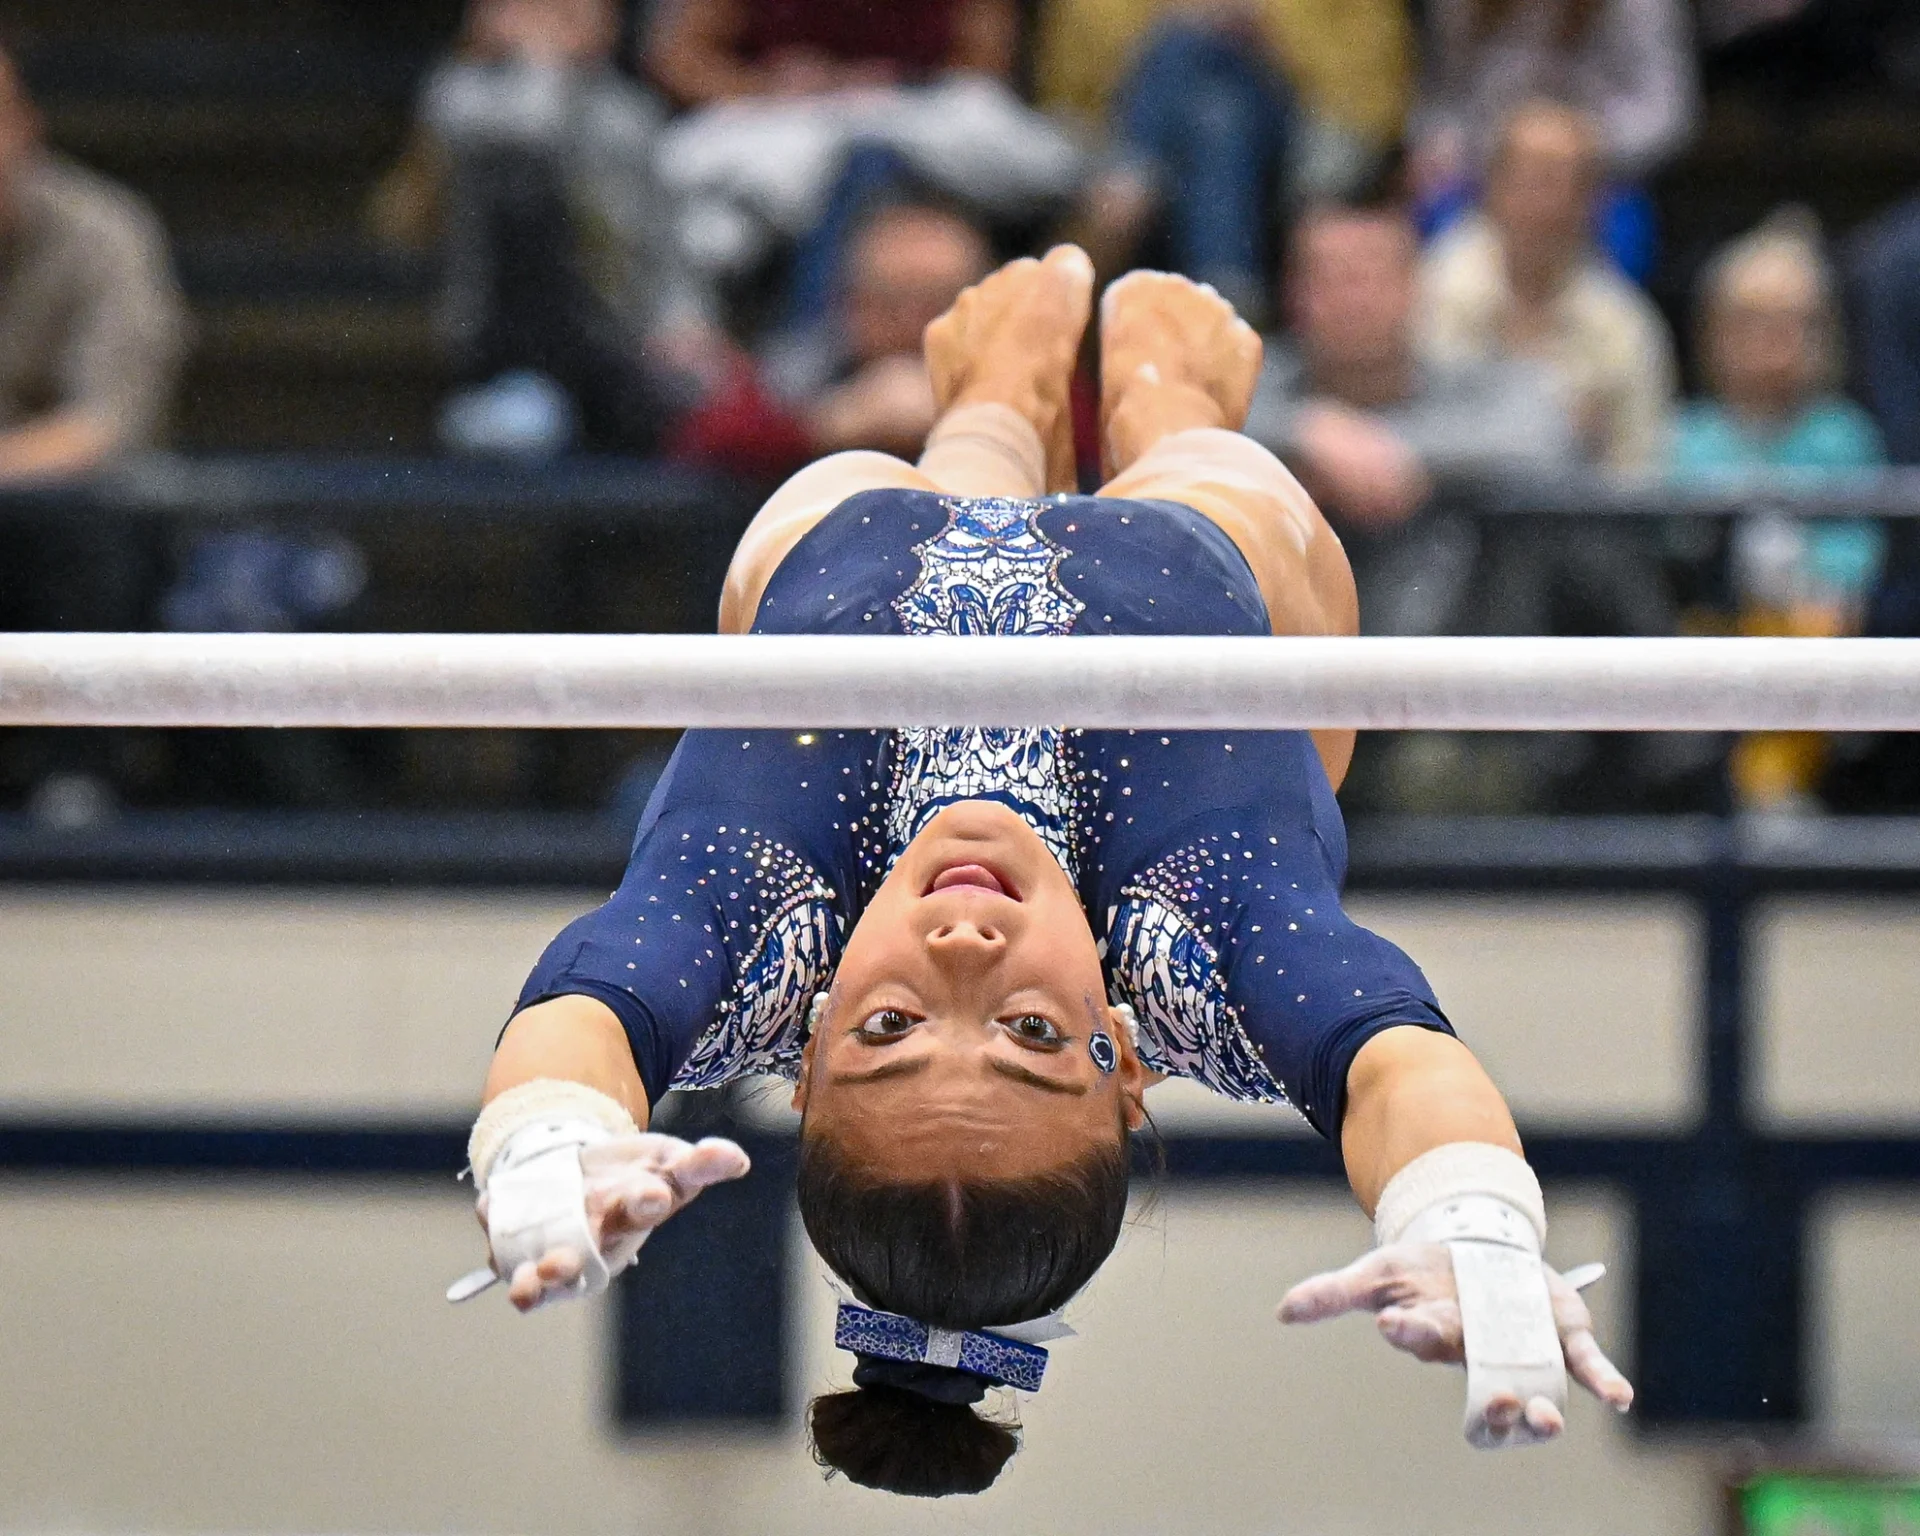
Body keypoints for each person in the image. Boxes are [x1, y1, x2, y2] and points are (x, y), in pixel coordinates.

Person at [451, 250, 1634, 1494]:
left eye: (891, 1028)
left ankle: (994, 408)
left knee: (876, 476)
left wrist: (549, 1138)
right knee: (1215, 463)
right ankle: (1163, 400)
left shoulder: (760, 940)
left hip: (868, 543)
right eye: (1031, 1032)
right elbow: (1398, 1069)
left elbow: (582, 1021)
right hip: (1187, 562)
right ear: (1125, 1064)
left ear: (804, 1055)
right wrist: (1464, 1213)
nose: (963, 958)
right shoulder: (1197, 956)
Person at [377, 0, 720, 456]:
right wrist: (541, 63)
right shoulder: (462, 94)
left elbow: (663, 237)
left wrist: (687, 320)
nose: (563, 20)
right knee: (521, 188)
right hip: (501, 340)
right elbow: (531, 135)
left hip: (614, 339)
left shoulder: (627, 111)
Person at [0, 38, 188, 821]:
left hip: (71, 518)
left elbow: (106, 425)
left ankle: (75, 777)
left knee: (83, 524)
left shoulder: (104, 230)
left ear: (25, 126)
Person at [1674, 210, 1888, 812]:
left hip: (1804, 620)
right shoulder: (1687, 436)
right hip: (1710, 622)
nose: (1771, 340)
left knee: (1812, 634)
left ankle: (1773, 794)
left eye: (1792, 323)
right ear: (1714, 332)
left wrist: (1829, 588)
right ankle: (1709, 791)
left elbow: (1856, 545)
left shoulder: (1843, 435)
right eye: (1751, 321)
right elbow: (1668, 545)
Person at [643, 0, 1081, 285]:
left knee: (1028, 148)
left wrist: (890, 80)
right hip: (787, 120)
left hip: (914, 114)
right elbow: (680, 60)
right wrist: (769, 85)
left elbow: (984, 63)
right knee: (700, 199)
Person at [1035, 0, 1416, 322]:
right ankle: (1229, 299)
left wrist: (1266, 30)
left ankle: (1137, 175)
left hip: (1299, 128)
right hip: (1144, 126)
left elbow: (1374, 96)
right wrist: (1172, 17)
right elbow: (1067, 94)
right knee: (1206, 97)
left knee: (1212, 94)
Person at [1244, 194, 1575, 537]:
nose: (1353, 301)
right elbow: (1209, 420)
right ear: (1292, 294)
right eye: (1328, 278)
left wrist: (1389, 453)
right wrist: (1303, 431)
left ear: (1416, 287)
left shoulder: (1471, 384)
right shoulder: (1254, 378)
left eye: (1370, 277)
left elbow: (1541, 432)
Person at [1421, 100, 1678, 476]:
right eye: (1533, 178)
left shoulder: (1623, 325)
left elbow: (1639, 471)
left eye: (1568, 183)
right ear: (1492, 185)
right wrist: (1555, 428)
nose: (1548, 202)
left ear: (1593, 203)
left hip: (1578, 511)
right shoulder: (1426, 290)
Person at [671, 200, 990, 477]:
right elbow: (700, 448)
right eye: (890, 302)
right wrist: (822, 427)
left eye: (939, 303)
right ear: (849, 305)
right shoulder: (800, 374)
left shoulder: (1008, 380)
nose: (913, 324)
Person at [1409, 0, 1696, 277]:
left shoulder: (1640, 7)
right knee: (1431, 224)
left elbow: (1667, 113)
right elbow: (1441, 100)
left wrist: (1578, 145)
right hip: (1482, 170)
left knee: (1627, 238)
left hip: (1603, 178)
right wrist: (1458, 147)